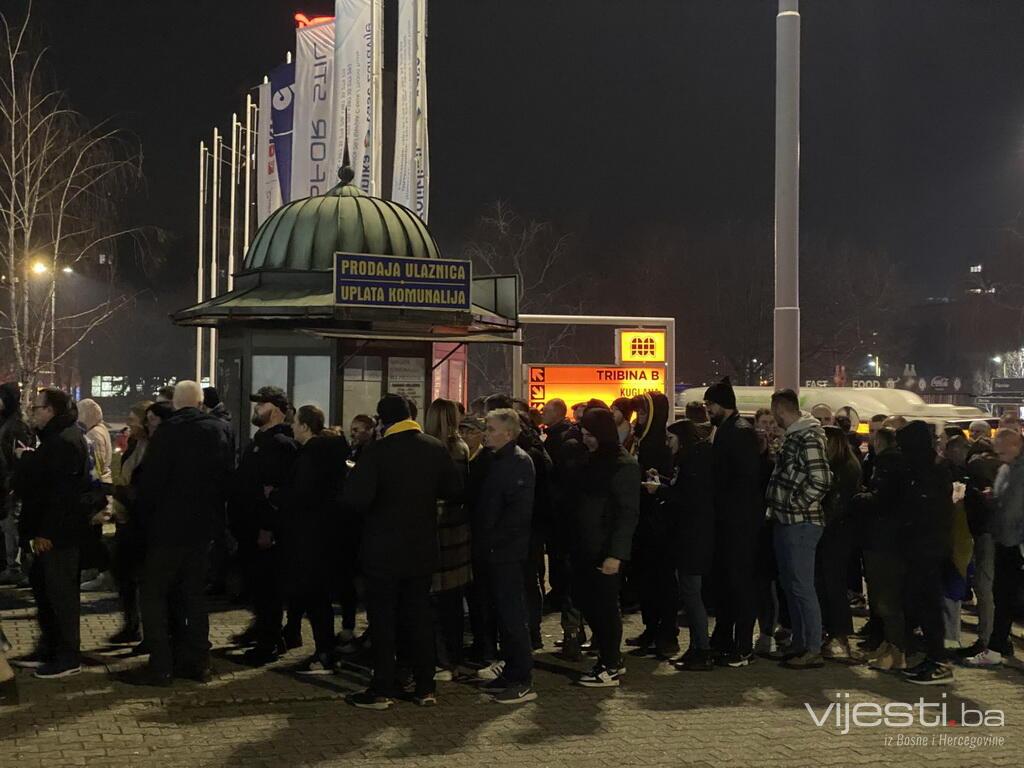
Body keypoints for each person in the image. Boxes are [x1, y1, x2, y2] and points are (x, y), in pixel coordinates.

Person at [343, 394, 462, 710]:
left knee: (383, 620)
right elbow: (453, 490)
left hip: (382, 551)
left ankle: (382, 688)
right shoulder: (434, 448)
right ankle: (425, 687)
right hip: (422, 549)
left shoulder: (377, 452)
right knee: (420, 618)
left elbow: (356, 499)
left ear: (383, 421)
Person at [128, 381, 234, 686]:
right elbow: (226, 475)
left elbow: (152, 483)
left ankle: (160, 664)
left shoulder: (169, 432)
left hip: (168, 527)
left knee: (154, 593)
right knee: (193, 595)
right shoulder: (220, 429)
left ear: (175, 403)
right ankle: (198, 661)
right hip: (204, 527)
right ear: (200, 403)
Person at [10, 388, 91, 679]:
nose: (33, 411)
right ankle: (50, 649)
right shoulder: (55, 440)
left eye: (38, 407)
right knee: (45, 592)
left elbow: (62, 495)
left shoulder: (64, 442)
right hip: (46, 531)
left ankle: (67, 655)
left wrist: (47, 532)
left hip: (57, 536)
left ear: (51, 411)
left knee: (60, 596)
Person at [471, 408, 538, 703]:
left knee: (512, 614)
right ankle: (511, 671)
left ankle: (522, 677)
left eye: (491, 428)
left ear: (508, 433)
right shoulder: (496, 460)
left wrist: (494, 540)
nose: (486, 432)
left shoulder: (518, 462)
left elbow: (516, 514)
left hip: (506, 552)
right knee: (502, 612)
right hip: (494, 549)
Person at [569, 408, 640, 686]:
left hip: (604, 548)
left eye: (590, 435)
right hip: (587, 545)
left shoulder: (623, 465)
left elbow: (626, 514)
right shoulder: (594, 461)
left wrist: (616, 554)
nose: (586, 440)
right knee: (589, 601)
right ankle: (610, 659)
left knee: (605, 606)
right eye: (584, 435)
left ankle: (610, 662)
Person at [229, 386, 299, 665]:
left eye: (262, 404)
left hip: (263, 531)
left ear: (278, 410)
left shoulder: (279, 444)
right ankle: (267, 635)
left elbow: (276, 492)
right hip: (249, 526)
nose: (256, 409)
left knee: (267, 588)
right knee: (258, 587)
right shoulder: (261, 440)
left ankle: (268, 643)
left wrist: (267, 528)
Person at [278, 405, 349, 675]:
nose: (292, 427)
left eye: (295, 423)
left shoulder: (311, 456)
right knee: (319, 597)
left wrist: (276, 496)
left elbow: (302, 495)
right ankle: (325, 650)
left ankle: (324, 653)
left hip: (310, 536)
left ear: (306, 426)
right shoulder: (330, 453)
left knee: (315, 597)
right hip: (326, 534)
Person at [766, 389, 833, 670]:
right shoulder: (799, 436)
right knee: (793, 585)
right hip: (788, 520)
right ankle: (800, 643)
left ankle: (812, 646)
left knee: (801, 586)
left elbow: (821, 478)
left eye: (773, 412)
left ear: (781, 409)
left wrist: (794, 502)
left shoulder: (806, 437)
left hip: (800, 522)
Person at [645, 419, 715, 671]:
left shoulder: (691, 462)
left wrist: (660, 490)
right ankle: (697, 647)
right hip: (691, 537)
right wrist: (662, 482)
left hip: (692, 538)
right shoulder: (691, 462)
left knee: (691, 593)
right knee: (689, 592)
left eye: (670, 438)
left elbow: (687, 498)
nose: (667, 443)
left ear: (682, 439)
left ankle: (701, 649)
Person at [704, 378, 763, 666]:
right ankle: (726, 638)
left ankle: (740, 644)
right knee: (729, 582)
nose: (707, 409)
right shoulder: (731, 430)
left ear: (721, 405)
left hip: (738, 523)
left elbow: (741, 480)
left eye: (710, 404)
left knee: (739, 583)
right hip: (732, 521)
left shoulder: (737, 433)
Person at [896, 421, 955, 686]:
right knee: (919, 602)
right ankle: (931, 656)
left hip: (928, 548)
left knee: (929, 603)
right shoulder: (924, 468)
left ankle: (938, 660)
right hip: (922, 546)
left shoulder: (931, 471)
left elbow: (926, 510)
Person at [424, 399, 472, 681]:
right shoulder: (461, 448)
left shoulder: (437, 450)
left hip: (440, 533)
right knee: (452, 601)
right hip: (459, 533)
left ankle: (443, 659)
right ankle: (452, 657)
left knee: (436, 602)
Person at [946, 435, 1001, 667]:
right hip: (998, 533)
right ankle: (995, 637)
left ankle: (987, 639)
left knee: (984, 585)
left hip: (985, 532)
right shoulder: (1000, 466)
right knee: (994, 587)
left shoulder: (975, 467)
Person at [629, 392, 677, 657]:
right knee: (646, 579)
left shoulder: (660, 445)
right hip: (643, 522)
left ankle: (666, 633)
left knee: (662, 581)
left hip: (658, 524)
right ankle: (651, 627)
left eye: (644, 414)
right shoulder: (641, 442)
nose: (639, 418)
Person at [108, 401, 153, 646]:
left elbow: (142, 488)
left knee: (139, 578)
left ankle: (145, 630)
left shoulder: (152, 448)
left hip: (139, 524)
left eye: (133, 420)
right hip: (125, 519)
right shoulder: (135, 445)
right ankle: (131, 624)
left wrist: (120, 491)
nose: (128, 425)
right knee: (123, 575)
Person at [817, 426, 862, 662]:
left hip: (837, 534)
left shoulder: (843, 468)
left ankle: (840, 634)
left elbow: (837, 503)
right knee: (828, 583)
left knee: (833, 584)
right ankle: (834, 632)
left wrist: (821, 522)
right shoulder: (846, 465)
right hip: (838, 532)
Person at [986, 428, 1024, 667]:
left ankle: (996, 646)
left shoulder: (1019, 472)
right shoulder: (1006, 468)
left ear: (1015, 446)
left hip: (1016, 543)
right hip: (1005, 540)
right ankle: (997, 646)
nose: (998, 456)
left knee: (1007, 596)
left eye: (1001, 451)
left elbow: (1015, 510)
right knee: (1003, 595)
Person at [77, 398, 114, 591]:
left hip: (98, 489)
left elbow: (96, 465)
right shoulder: (101, 431)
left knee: (94, 534)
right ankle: (94, 569)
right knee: (93, 533)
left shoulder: (93, 435)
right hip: (101, 487)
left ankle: (102, 571)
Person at [0, 382, 32, 585]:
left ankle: (16, 567)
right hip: (4, 483)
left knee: (13, 527)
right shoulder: (5, 422)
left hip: (11, 485)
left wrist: (13, 481)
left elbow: (21, 456)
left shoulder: (17, 425)